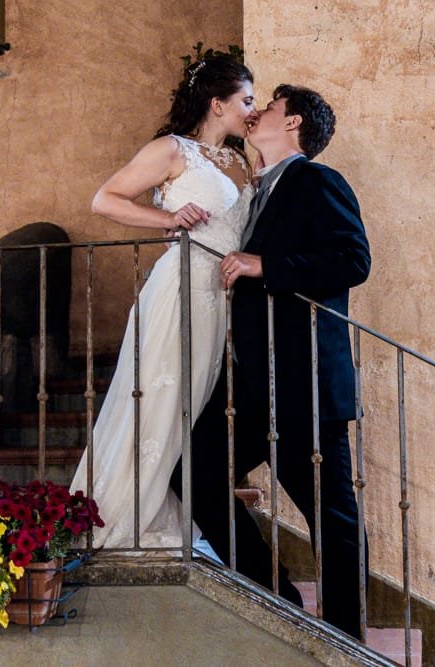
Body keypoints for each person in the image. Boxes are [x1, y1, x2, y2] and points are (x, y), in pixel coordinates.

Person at [171, 85, 371, 638]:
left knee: (331, 515)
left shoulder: (317, 181)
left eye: (272, 107)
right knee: (193, 473)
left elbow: (353, 259)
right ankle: (279, 597)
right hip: (253, 383)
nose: (257, 112)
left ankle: (346, 640)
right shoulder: (257, 190)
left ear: (294, 123)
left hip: (305, 384)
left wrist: (265, 264)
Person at [68, 54, 256, 549]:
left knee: (194, 409)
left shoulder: (241, 161)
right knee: (159, 402)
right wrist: (169, 220)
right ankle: (126, 515)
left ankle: (178, 511)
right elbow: (105, 199)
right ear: (218, 104)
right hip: (179, 288)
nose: (252, 111)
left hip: (221, 299)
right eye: (246, 101)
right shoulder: (172, 149)